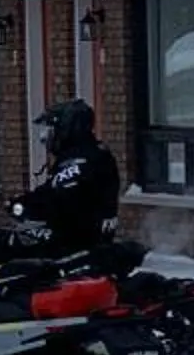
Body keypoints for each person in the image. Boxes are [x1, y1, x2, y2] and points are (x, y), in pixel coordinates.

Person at [15, 97, 122, 254]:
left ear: (66, 128)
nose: (44, 138)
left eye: (50, 129)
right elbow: (51, 190)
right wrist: (23, 201)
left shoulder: (81, 161)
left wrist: (27, 207)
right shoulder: (86, 154)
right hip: (81, 237)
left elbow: (59, 197)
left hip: (77, 242)